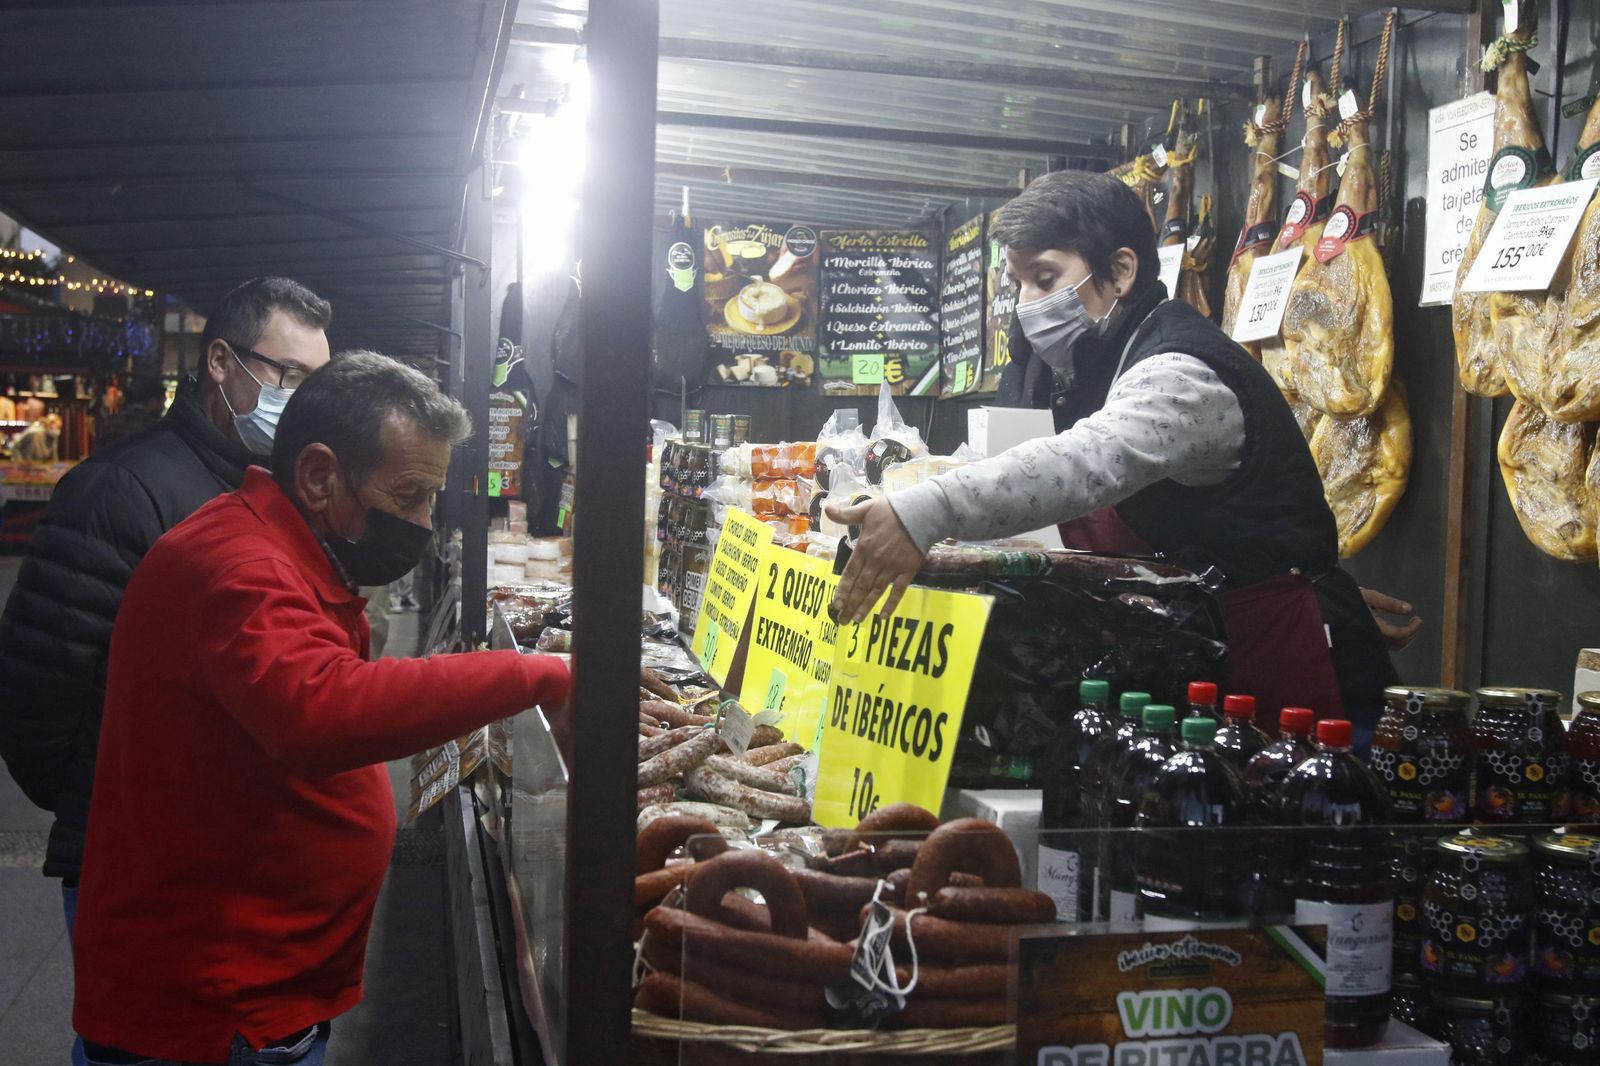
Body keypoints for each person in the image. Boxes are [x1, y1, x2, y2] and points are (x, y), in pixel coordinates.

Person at [70, 352, 571, 1065]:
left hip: (260, 988)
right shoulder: (240, 568)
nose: (424, 522)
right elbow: (323, 707)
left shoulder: (277, 546)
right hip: (216, 1009)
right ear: (318, 476)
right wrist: (533, 674)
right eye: (408, 495)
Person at [830, 171, 1406, 737]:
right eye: (1019, 283)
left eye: (1045, 276)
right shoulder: (1104, 356)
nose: (1028, 303)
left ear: (1122, 271)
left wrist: (923, 512)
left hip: (1285, 656)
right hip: (1208, 640)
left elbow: (1088, 461)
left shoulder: (1182, 372)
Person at [0, 277, 332, 1066]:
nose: (300, 401)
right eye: (286, 378)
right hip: (145, 874)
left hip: (242, 869)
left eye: (316, 385)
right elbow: (36, 696)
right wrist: (115, 811)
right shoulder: (122, 493)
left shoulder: (272, 494)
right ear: (221, 362)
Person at [95, 376, 167, 449]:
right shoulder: (154, 427)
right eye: (163, 403)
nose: (164, 407)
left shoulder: (112, 422)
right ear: (153, 402)